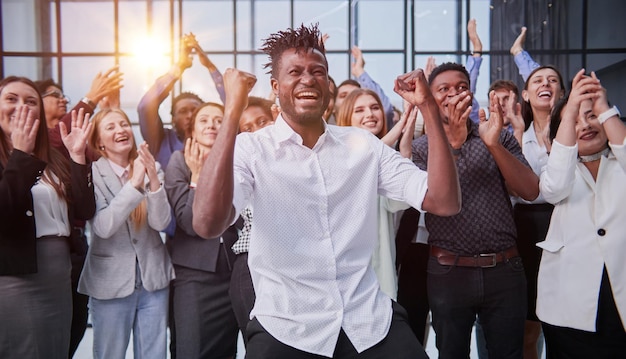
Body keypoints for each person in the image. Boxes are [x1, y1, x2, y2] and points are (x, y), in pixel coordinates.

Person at [192, 23, 461, 358]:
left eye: (318, 71)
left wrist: (429, 109)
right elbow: (206, 222)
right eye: (295, 72)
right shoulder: (251, 149)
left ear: (328, 85)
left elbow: (443, 201)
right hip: (287, 327)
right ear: (276, 86)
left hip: (367, 320)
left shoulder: (361, 145)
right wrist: (233, 108)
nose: (308, 78)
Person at [413, 62, 540, 359]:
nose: (454, 94)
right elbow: (432, 199)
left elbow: (530, 190)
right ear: (431, 99)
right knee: (451, 353)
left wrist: (493, 143)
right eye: (443, 89)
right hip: (448, 272)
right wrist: (454, 146)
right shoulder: (422, 148)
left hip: (505, 270)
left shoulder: (498, 135)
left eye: (461, 87)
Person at [0, 76, 95, 359]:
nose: (22, 107)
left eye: (31, 101)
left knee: (57, 348)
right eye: (11, 99)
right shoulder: (14, 157)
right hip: (16, 278)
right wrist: (20, 154)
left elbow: (84, 211)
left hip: (60, 277)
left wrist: (78, 156)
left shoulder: (53, 156)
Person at [34, 66, 122, 358]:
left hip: (77, 244)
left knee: (75, 323)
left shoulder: (71, 142)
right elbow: (55, 139)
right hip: (42, 251)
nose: (62, 100)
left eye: (64, 96)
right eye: (54, 95)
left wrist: (112, 118)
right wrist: (91, 99)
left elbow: (102, 159)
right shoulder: (36, 141)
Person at [538, 69, 626, 358]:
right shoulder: (560, 169)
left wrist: (602, 106)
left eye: (592, 116)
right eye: (574, 121)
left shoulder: (619, 162)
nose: (586, 125)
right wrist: (571, 105)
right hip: (570, 303)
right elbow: (554, 189)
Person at [78, 108, 174, 359]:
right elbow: (103, 227)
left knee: (154, 355)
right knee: (110, 354)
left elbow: (161, 222)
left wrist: (152, 178)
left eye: (123, 124)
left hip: (153, 281)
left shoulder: (150, 165)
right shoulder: (91, 174)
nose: (120, 130)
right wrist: (134, 185)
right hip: (109, 284)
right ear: (99, 141)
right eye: (110, 127)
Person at [164, 101, 241, 358]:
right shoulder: (179, 161)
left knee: (225, 350)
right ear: (193, 131)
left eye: (219, 120)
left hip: (237, 269)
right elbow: (187, 222)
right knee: (192, 349)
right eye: (204, 120)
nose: (212, 125)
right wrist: (196, 178)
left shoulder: (240, 159)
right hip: (195, 273)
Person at [335, 88, 416, 299]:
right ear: (346, 118)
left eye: (374, 108)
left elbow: (398, 203)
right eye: (359, 110)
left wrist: (405, 148)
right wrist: (400, 127)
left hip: (379, 276)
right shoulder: (335, 154)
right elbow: (361, 162)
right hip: (344, 277)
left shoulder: (386, 160)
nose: (369, 114)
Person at [513, 64, 566, 359]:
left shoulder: (576, 129)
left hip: (567, 219)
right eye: (538, 80)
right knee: (529, 327)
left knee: (565, 323)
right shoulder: (516, 132)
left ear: (561, 90)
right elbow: (519, 187)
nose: (546, 84)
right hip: (528, 227)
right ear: (526, 94)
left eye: (553, 80)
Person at [228, 95, 276, 345]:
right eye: (247, 128)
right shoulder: (242, 168)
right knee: (261, 346)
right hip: (250, 264)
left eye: (262, 121)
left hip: (293, 264)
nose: (256, 131)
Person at [137, 33, 224, 169]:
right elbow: (145, 107)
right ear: (173, 119)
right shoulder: (160, 140)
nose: (190, 115)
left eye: (195, 111)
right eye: (183, 111)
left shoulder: (217, 139)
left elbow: (236, 107)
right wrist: (179, 67)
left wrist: (210, 67)